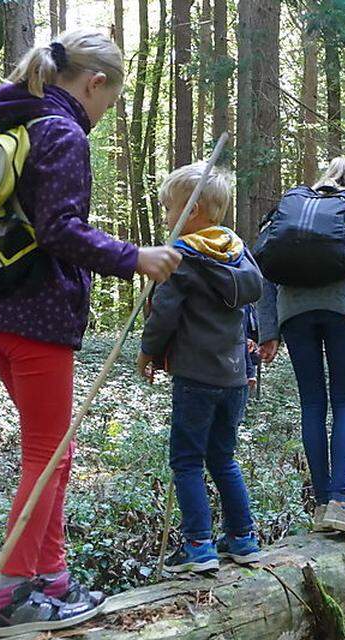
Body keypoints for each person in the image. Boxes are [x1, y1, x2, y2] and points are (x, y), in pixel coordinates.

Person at [0, 30, 183, 637]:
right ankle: (9, 600)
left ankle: (49, 579)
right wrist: (135, 256)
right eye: (108, 102)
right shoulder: (59, 132)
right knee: (46, 456)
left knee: (54, 454)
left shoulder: (1, 131)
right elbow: (59, 231)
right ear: (94, 83)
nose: (105, 114)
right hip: (37, 317)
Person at [258, 157, 345, 535]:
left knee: (313, 405)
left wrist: (268, 331)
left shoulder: (289, 216)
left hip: (294, 313)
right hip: (343, 312)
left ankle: (322, 506)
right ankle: (340, 500)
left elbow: (264, 269)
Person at [137, 162, 263, 574]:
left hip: (195, 376)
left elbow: (164, 314)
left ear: (192, 212)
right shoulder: (239, 253)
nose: (166, 217)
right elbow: (250, 309)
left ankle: (198, 547)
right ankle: (243, 538)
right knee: (223, 457)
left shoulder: (180, 258)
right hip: (233, 377)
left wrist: (148, 352)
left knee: (187, 461)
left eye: (170, 208)